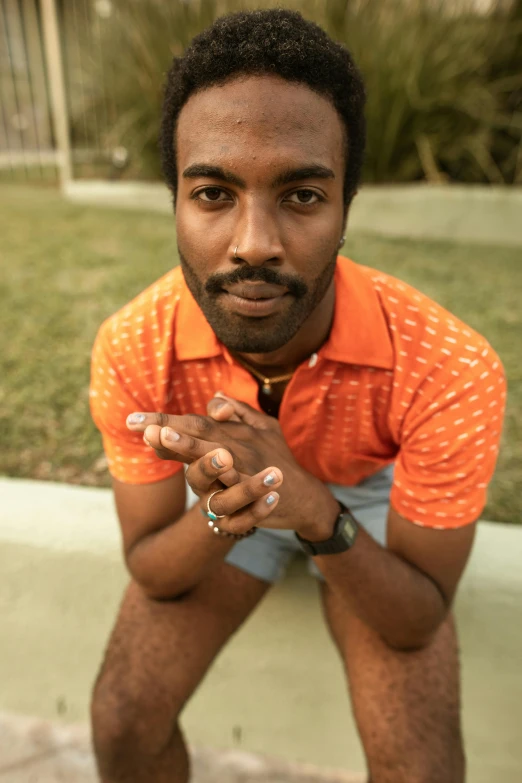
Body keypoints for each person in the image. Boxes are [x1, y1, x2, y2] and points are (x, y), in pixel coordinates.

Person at [88, 9, 506, 783]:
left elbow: (414, 617)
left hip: (368, 499)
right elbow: (153, 568)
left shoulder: (448, 366)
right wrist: (236, 503)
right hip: (230, 494)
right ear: (173, 203)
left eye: (303, 196)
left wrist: (311, 506)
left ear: (348, 205)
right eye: (213, 193)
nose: (254, 242)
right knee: (121, 719)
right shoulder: (134, 346)